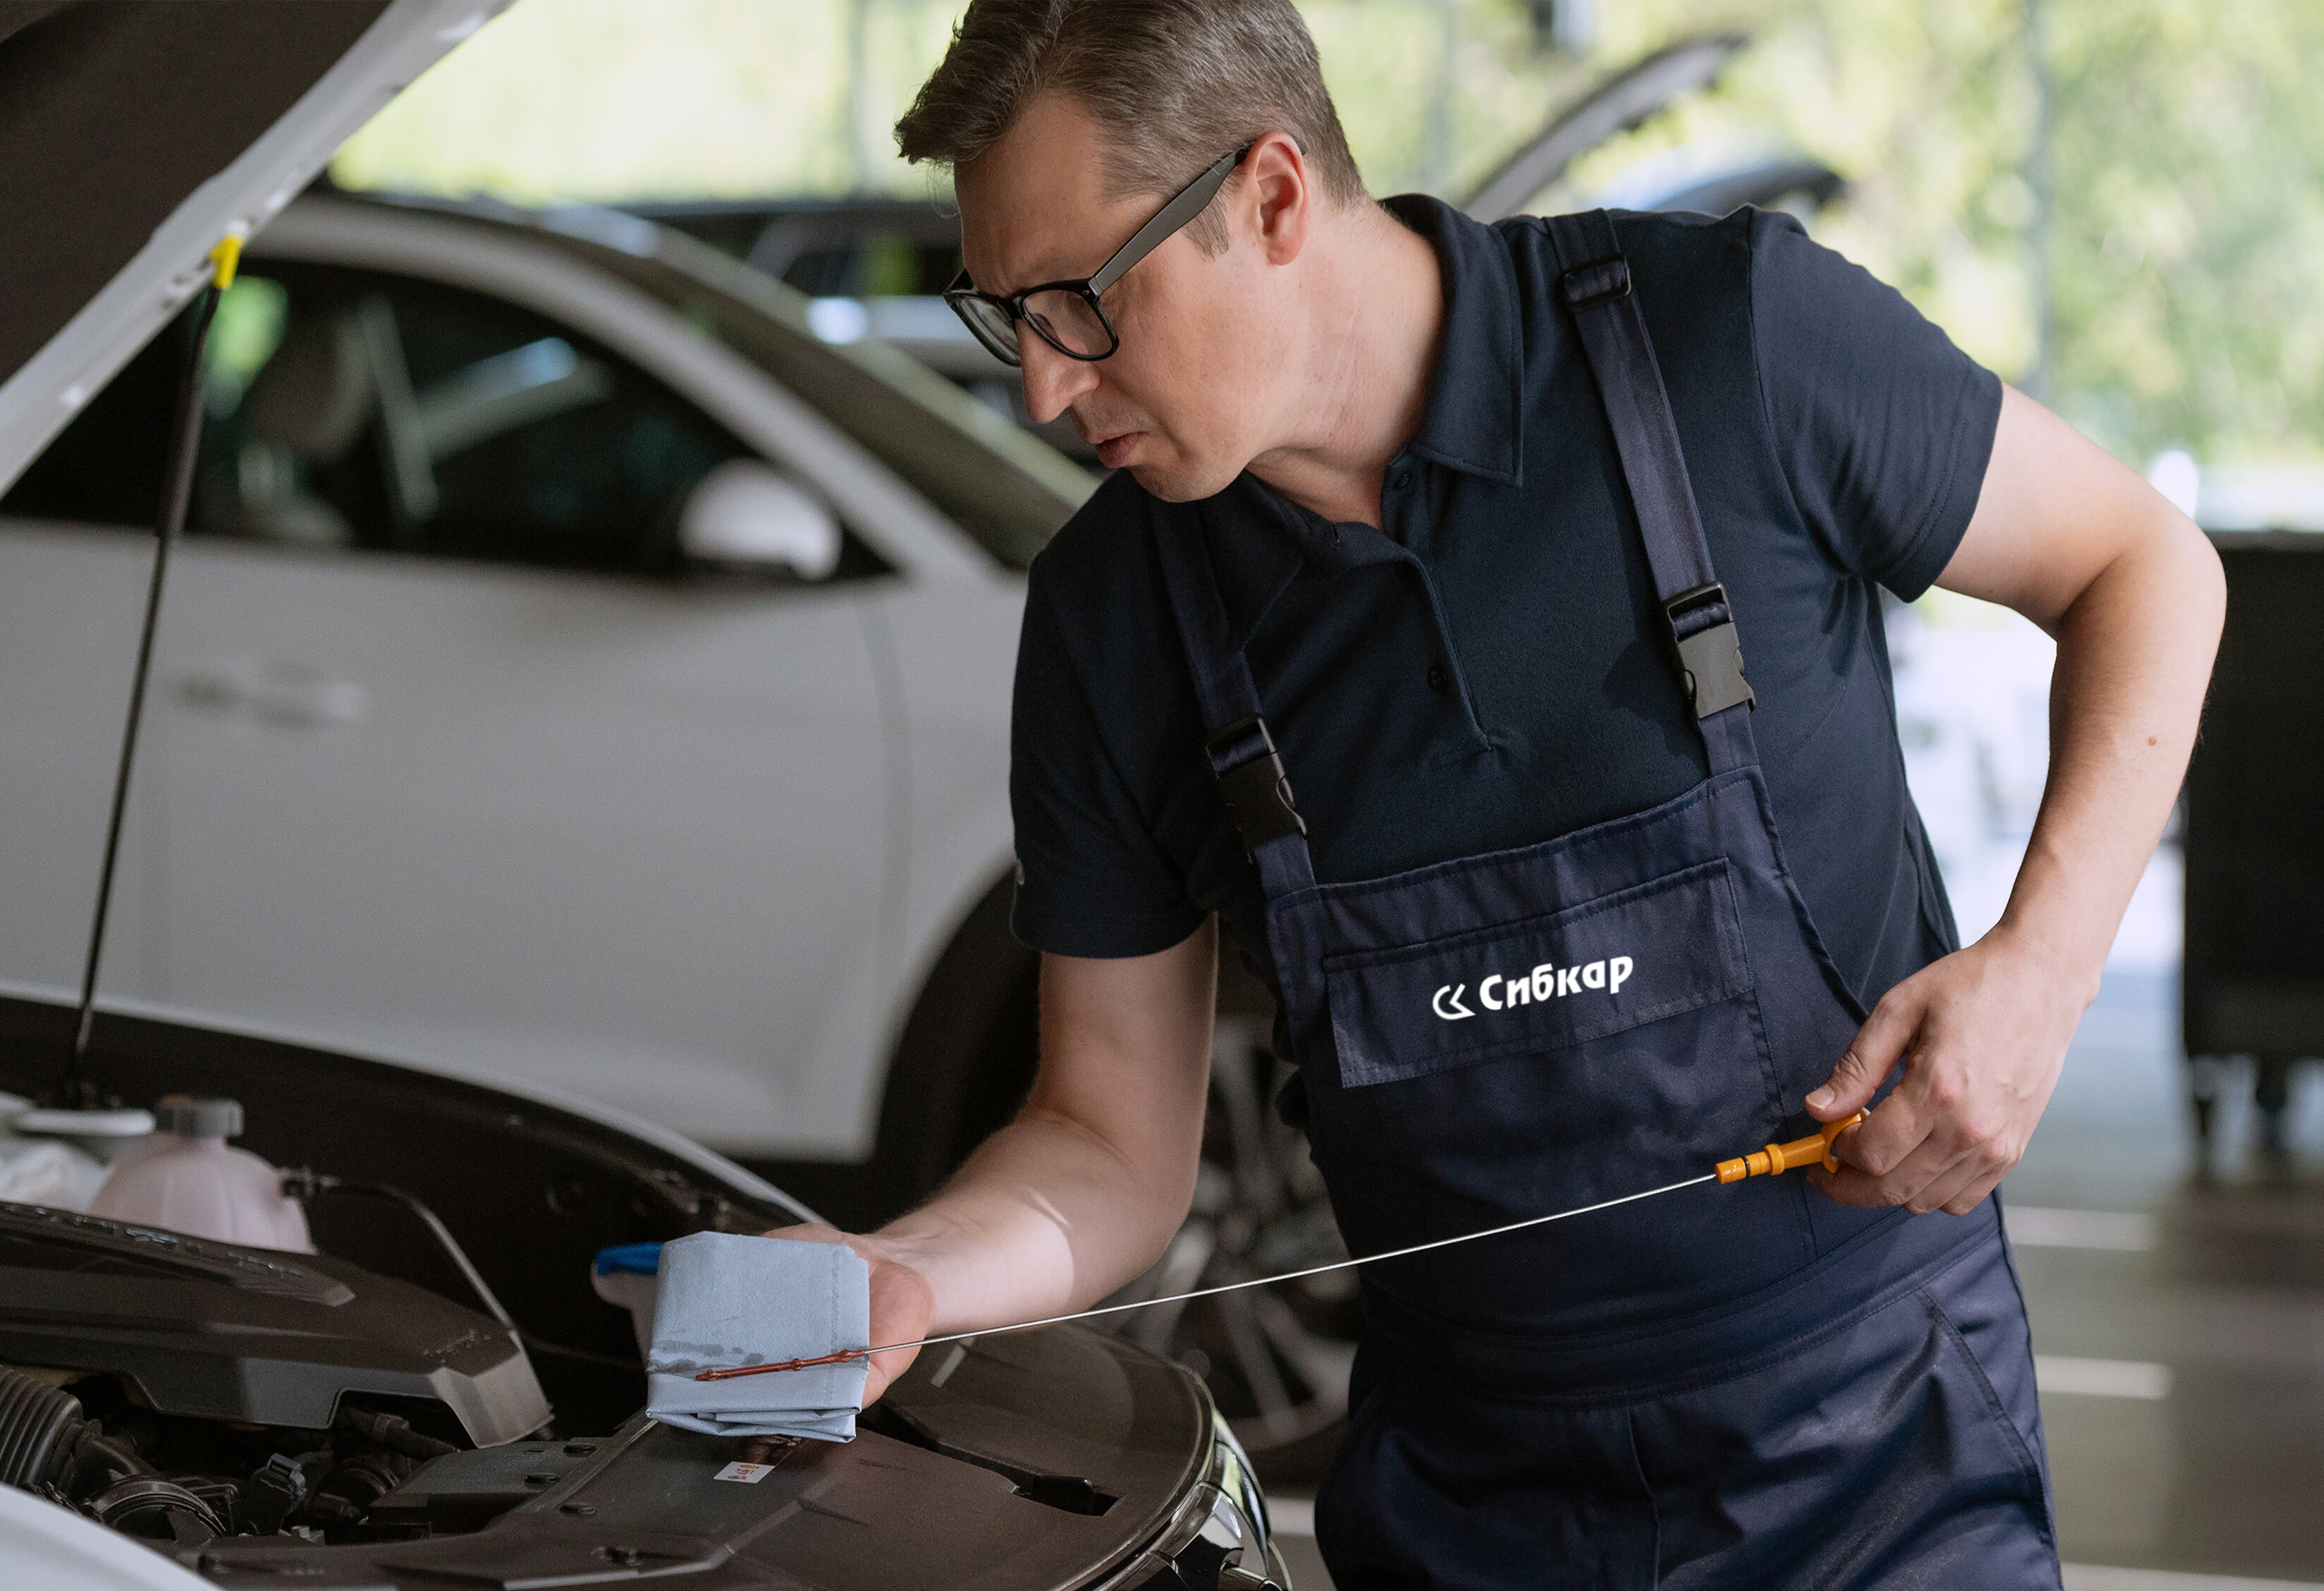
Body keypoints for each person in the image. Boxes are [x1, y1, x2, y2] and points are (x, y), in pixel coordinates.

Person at [770, 1, 2226, 1583]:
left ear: (1268, 195)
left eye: (1078, 303)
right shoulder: (1113, 621)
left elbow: (2140, 562)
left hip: (1874, 1456)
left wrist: (2037, 976)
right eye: (1004, 317)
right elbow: (1104, 1142)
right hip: (1470, 1509)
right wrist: (902, 1268)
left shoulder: (1727, 345)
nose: (1043, 392)